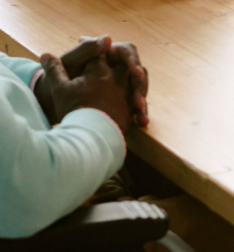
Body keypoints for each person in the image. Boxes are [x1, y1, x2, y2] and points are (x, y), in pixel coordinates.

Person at [0, 36, 146, 237]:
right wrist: (98, 117)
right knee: (198, 218)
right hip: (47, 224)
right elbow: (25, 193)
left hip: (51, 170)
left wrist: (46, 87)